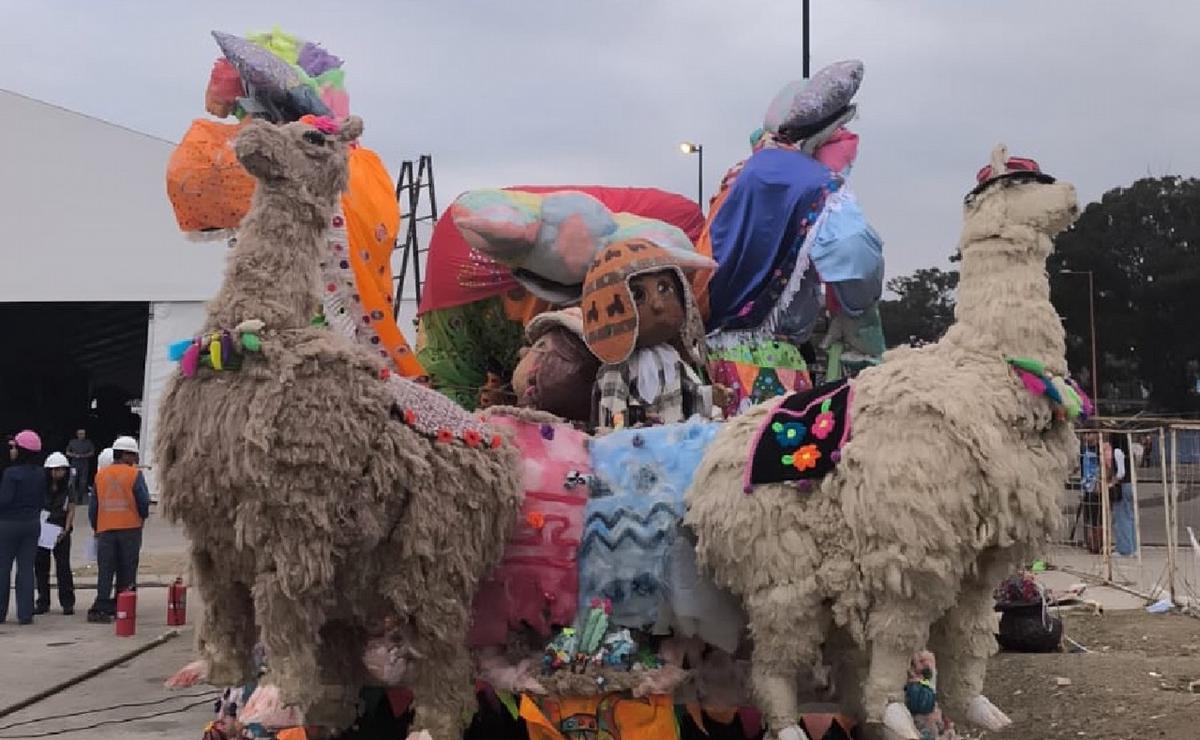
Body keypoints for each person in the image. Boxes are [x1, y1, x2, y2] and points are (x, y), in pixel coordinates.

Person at [87, 436, 150, 623]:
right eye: (133, 455)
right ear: (125, 454)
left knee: (105, 569)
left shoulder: (100, 475)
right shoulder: (134, 475)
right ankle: (124, 605)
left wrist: (96, 527)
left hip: (105, 529)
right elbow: (143, 502)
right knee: (128, 568)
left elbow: (93, 507)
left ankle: (102, 606)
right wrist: (142, 517)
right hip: (130, 528)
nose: (135, 460)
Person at [0, 430, 47, 625]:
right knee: (26, 569)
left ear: (22, 450)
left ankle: (0, 612)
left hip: (9, 524)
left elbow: (5, 500)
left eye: (14, 447)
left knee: (3, 568)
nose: (12, 450)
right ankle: (25, 613)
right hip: (32, 523)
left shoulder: (11, 474)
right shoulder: (41, 474)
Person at [36, 452, 76, 615]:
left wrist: (65, 530)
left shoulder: (68, 487)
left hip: (60, 529)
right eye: (54, 470)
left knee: (63, 567)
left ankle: (67, 602)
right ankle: (43, 601)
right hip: (43, 528)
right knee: (41, 567)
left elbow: (71, 508)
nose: (57, 473)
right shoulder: (41, 486)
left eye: (60, 470)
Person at [1110, 435, 1136, 556]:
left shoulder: (1117, 451)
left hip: (1122, 485)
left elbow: (1121, 472)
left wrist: (1114, 480)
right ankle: (1133, 546)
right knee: (1129, 516)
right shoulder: (1128, 453)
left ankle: (1124, 548)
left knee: (1121, 517)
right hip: (1130, 484)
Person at [66, 429, 95, 502]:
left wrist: (84, 455)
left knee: (83, 482)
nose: (82, 435)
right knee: (72, 480)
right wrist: (74, 455)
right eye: (80, 434)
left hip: (84, 464)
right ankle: (71, 498)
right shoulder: (72, 442)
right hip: (74, 464)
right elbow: (67, 452)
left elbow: (92, 452)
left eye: (83, 434)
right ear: (77, 434)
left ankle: (80, 498)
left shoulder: (88, 442)